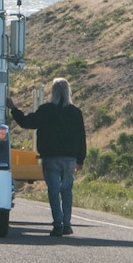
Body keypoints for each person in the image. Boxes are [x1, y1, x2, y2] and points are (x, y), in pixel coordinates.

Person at [9, 78, 87, 237]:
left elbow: (26, 122)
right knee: (67, 191)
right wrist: (80, 160)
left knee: (53, 190)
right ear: (68, 92)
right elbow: (81, 137)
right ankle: (67, 224)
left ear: (53, 92)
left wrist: (13, 108)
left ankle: (57, 225)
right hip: (70, 159)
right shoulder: (75, 112)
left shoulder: (45, 110)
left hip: (51, 158)